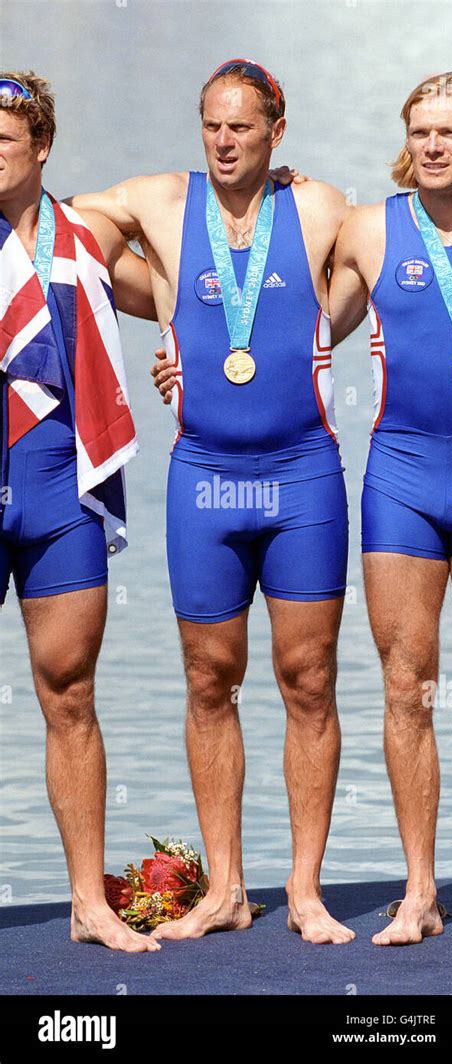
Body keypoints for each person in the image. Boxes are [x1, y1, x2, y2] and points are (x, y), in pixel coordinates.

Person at [71, 59, 355, 944]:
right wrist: (161, 308)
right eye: (212, 126)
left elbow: (392, 270)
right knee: (207, 679)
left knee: (307, 681)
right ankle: (227, 888)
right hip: (204, 477)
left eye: (242, 127)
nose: (224, 142)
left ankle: (304, 891)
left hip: (303, 474)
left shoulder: (318, 207)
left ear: (277, 128)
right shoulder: (158, 199)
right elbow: (63, 222)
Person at [0, 72, 160, 952]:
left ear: (42, 148)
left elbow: (178, 293)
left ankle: (89, 904)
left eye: (2, 140)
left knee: (70, 692)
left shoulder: (83, 239)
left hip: (60, 489)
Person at [329, 71, 452, 945]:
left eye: (449, 133)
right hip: (403, 483)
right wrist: (188, 363)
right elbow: (300, 331)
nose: (431, 146)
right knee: (405, 688)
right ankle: (420, 892)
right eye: (419, 131)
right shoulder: (371, 228)